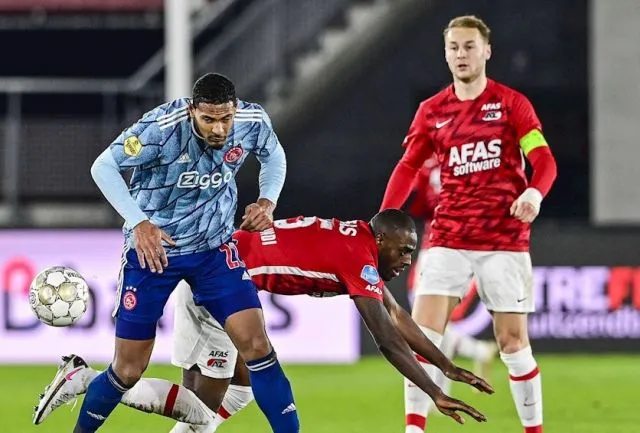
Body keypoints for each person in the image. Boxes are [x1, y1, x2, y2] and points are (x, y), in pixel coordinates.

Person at [36, 210, 492, 431]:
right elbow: (389, 340)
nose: (408, 260)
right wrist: (434, 391)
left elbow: (396, 314)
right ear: (384, 238)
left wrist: (447, 367)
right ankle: (85, 379)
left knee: (236, 395)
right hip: (220, 284)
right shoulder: (362, 258)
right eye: (405, 249)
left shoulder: (359, 243)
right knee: (202, 410)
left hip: (223, 276)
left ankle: (94, 381)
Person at [33, 72, 301, 433]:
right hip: (154, 254)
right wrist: (139, 222)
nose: (219, 129)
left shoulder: (252, 121)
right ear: (193, 111)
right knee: (128, 370)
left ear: (234, 110)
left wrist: (268, 200)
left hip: (213, 252)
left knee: (257, 346)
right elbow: (104, 167)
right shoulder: (160, 128)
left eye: (225, 118)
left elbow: (275, 156)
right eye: (208, 119)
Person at [379, 15, 557, 433]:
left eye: (469, 46)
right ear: (446, 54)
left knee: (513, 345)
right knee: (423, 337)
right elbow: (409, 167)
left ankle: (534, 430)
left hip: (504, 240)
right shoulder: (432, 112)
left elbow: (543, 159)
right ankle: (414, 429)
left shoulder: (512, 104)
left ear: (487, 51)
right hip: (448, 237)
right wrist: (384, 218)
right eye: (454, 47)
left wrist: (533, 192)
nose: (461, 54)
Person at [407, 155, 498, 401]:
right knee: (430, 323)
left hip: (448, 249)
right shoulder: (459, 159)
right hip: (449, 249)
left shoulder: (442, 163)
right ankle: (473, 354)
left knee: (428, 322)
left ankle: (442, 387)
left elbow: (419, 204)